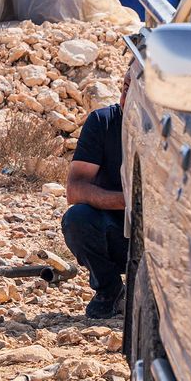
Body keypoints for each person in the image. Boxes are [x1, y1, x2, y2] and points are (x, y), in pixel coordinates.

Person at [62, 97, 127, 320]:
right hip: (115, 232)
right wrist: (130, 201)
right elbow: (75, 189)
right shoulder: (103, 121)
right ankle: (109, 289)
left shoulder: (176, 125)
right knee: (77, 219)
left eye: (137, 86)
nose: (128, 93)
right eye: (126, 85)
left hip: (163, 233)